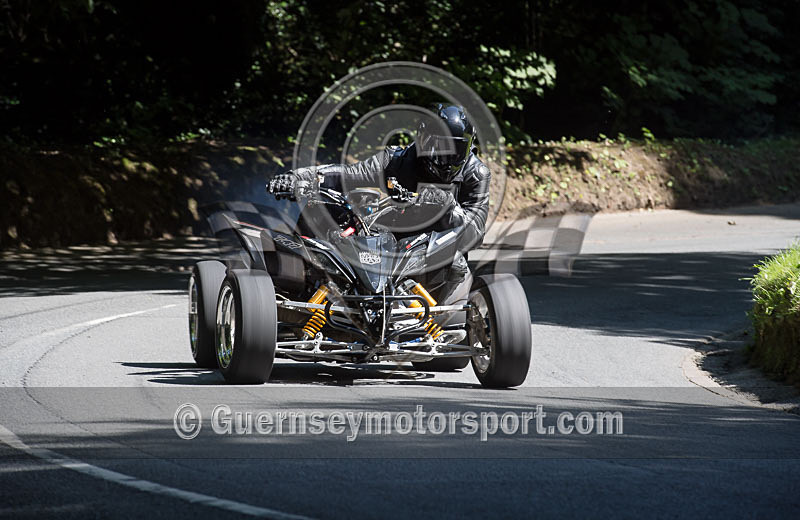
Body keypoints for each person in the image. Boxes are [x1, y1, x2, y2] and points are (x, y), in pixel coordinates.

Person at [267, 104, 491, 307]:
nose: (443, 157)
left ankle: (442, 319)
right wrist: (298, 178)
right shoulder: (396, 160)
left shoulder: (476, 174)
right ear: (423, 141)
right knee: (319, 208)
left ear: (467, 147)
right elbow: (347, 175)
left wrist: (446, 205)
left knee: (457, 262)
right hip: (386, 240)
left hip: (433, 250)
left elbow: (475, 231)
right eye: (437, 146)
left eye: (454, 149)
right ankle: (300, 292)